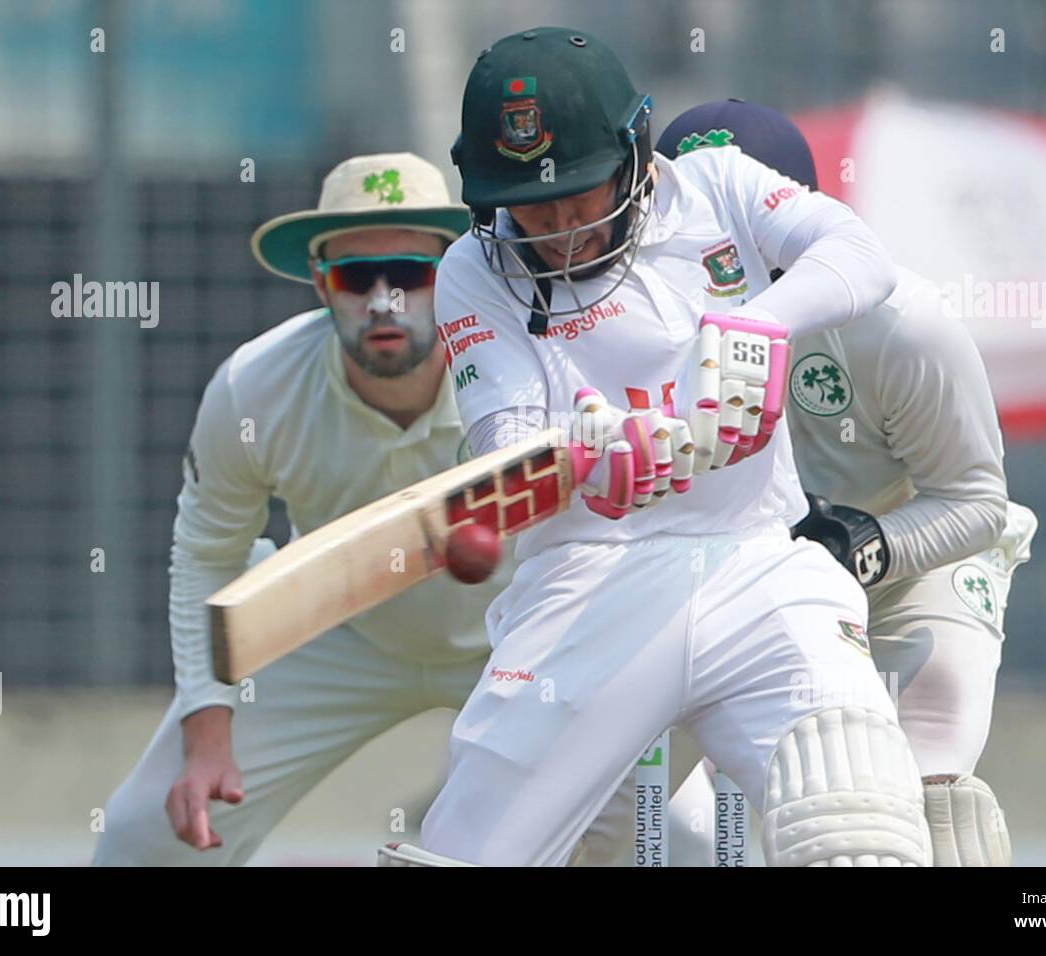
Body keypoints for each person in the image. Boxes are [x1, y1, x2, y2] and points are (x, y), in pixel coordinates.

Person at [379, 28, 931, 868]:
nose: (559, 231)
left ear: (635, 155)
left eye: (578, 196)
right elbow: (505, 443)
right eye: (533, 206)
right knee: (472, 853)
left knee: (858, 827)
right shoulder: (471, 271)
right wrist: (583, 458)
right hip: (588, 582)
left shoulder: (716, 185)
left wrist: (753, 324)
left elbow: (861, 256)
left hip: (759, 564)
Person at [92, 152, 632, 865]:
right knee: (148, 840)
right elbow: (207, 552)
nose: (384, 301)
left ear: (455, 275)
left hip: (522, 637)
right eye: (355, 278)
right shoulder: (255, 387)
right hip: (338, 632)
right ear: (319, 283)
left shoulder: (533, 367)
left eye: (410, 274)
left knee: (662, 831)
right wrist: (208, 733)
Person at [657, 99, 1038, 866]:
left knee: (929, 811)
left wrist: (865, 545)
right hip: (724, 578)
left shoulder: (899, 321)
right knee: (664, 828)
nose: (721, 247)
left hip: (912, 566)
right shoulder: (634, 321)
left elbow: (973, 502)